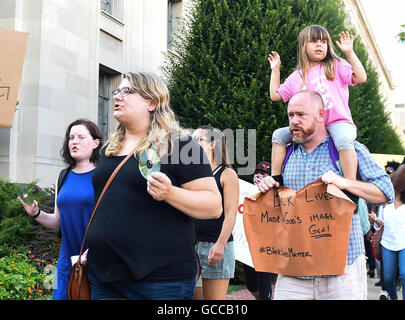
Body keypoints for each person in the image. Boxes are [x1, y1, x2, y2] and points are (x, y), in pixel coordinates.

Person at [85, 71, 222, 300]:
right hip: (104, 277)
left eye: (128, 91)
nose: (118, 96)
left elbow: (213, 206)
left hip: (161, 280)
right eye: (117, 91)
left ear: (152, 102)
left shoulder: (180, 146)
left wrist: (170, 193)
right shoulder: (108, 149)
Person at [258, 90, 394, 300]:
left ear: (321, 115)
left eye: (301, 114)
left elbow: (386, 192)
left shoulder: (348, 151)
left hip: (343, 266)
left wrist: (346, 182)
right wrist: (269, 186)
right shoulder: (285, 154)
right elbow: (278, 205)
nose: (294, 120)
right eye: (290, 115)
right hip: (294, 266)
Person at [268, 25, 367, 181]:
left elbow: (361, 77)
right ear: (303, 46)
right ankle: (276, 178)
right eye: (314, 41)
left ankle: (350, 184)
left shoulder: (335, 65)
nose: (320, 45)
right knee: (278, 135)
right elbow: (275, 95)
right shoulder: (297, 77)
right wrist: (275, 70)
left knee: (343, 140)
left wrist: (349, 52)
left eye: (324, 42)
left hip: (338, 122)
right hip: (310, 126)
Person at [17, 119, 102, 300]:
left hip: (95, 260)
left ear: (96, 143)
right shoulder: (63, 175)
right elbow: (58, 222)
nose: (74, 141)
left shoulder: (102, 176)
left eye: (81, 137)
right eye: (71, 137)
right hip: (66, 260)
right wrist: (36, 214)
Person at [192, 126, 239, 300]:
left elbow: (231, 214)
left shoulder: (227, 174)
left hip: (215, 244)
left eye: (198, 139)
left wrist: (220, 244)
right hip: (190, 244)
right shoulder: (193, 172)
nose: (192, 143)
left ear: (213, 145)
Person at [369, 162, 405, 300]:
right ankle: (393, 296)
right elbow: (381, 225)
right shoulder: (385, 203)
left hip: (403, 244)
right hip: (387, 243)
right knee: (388, 277)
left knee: (403, 274)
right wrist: (376, 220)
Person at [243, 161, 277, 300]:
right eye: (256, 173)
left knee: (264, 283)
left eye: (263, 174)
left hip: (267, 247)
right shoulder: (246, 192)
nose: (258, 176)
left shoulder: (276, 195)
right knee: (251, 285)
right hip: (248, 246)